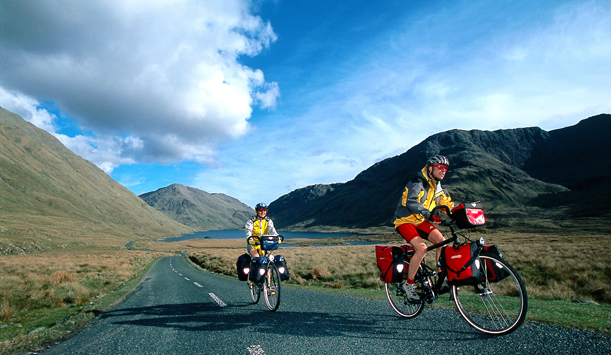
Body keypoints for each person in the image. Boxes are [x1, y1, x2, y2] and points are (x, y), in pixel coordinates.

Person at [393, 155, 454, 303]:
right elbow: (411, 202)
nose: (443, 170)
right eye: (440, 167)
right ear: (430, 168)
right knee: (421, 249)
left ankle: (441, 280)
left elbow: (448, 206)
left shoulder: (438, 187)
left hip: (420, 221)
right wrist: (429, 215)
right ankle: (409, 284)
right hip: (405, 221)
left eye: (445, 168)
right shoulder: (418, 182)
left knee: (442, 242)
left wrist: (462, 213)